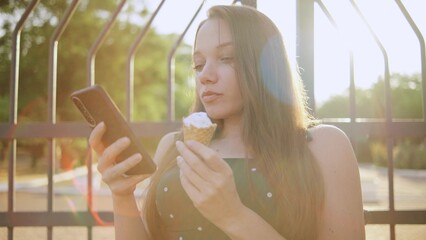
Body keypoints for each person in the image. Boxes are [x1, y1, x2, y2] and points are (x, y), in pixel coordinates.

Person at [89, 4, 365, 240]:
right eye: (198, 64)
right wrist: (122, 196)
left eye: (226, 58)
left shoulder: (324, 146)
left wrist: (234, 216)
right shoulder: (173, 147)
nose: (204, 76)